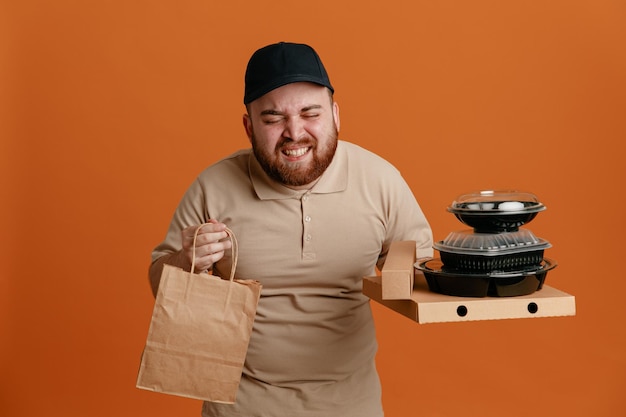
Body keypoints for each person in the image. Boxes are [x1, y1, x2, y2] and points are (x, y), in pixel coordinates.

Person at [149, 41, 433, 417]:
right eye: (272, 119)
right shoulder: (213, 187)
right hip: (241, 405)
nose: (294, 132)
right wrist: (187, 261)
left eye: (309, 113)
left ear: (335, 115)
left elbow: (424, 273)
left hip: (351, 404)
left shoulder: (380, 181)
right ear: (249, 127)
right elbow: (159, 280)